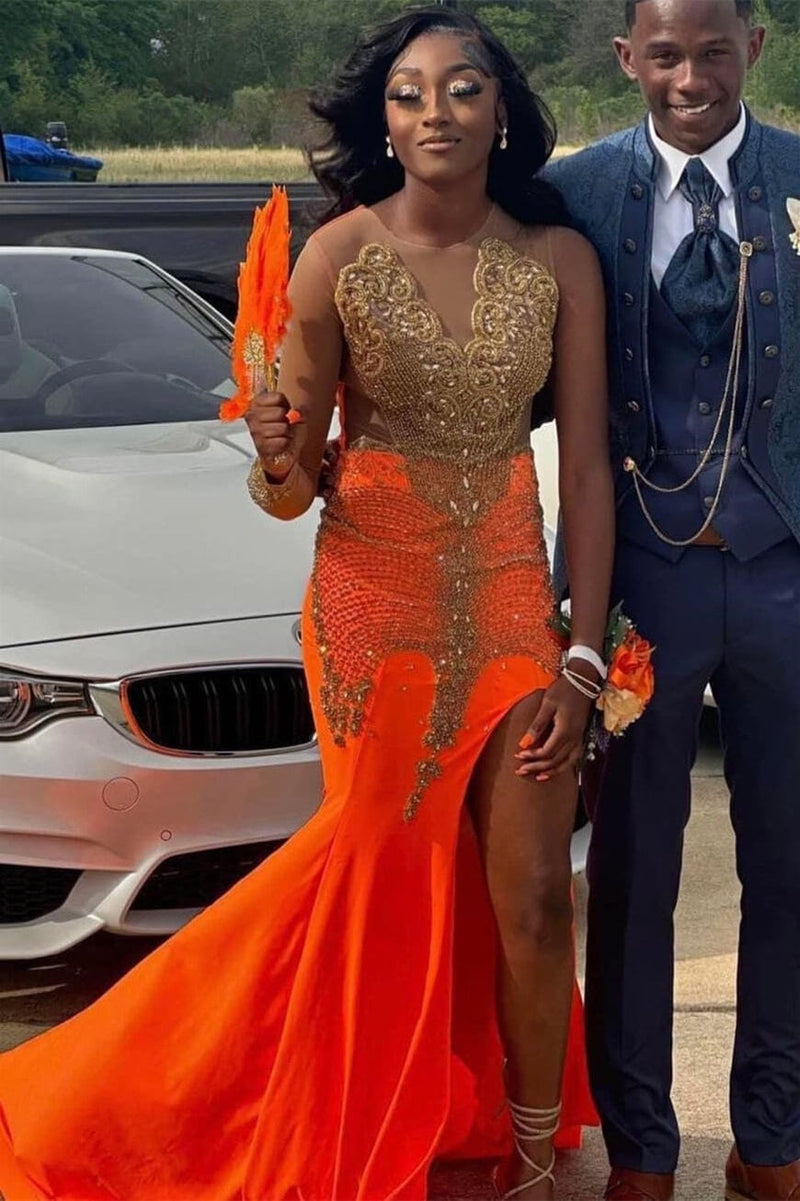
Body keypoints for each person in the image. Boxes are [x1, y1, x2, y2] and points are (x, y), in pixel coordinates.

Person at [0, 10, 613, 1201]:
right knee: (375, 879)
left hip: (510, 606)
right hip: (370, 612)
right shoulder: (335, 255)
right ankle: (198, 1086)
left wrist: (584, 655)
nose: (433, 112)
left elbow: (583, 469)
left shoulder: (558, 259)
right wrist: (276, 451)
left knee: (537, 894)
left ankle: (534, 1162)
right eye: (407, 93)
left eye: (461, 87)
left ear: (501, 110)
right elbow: (286, 494)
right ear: (383, 119)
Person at [544, 2, 800, 1199]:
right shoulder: (575, 193)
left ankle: (771, 1136)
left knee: (787, 863)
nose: (687, 78)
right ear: (625, 60)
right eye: (662, 55)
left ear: (753, 45)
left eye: (709, 51)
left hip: (784, 570)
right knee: (635, 871)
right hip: (638, 579)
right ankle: (641, 1146)